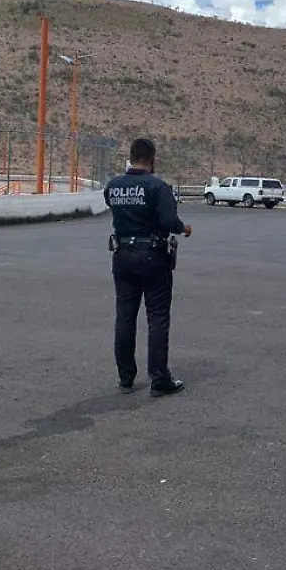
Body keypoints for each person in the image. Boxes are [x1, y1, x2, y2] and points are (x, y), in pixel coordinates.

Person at [104, 138, 192, 397]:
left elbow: (114, 207)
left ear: (131, 157)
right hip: (153, 255)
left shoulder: (113, 186)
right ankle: (159, 378)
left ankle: (126, 377)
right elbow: (169, 220)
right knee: (157, 317)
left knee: (125, 316)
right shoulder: (158, 187)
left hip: (122, 254)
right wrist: (184, 228)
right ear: (152, 158)